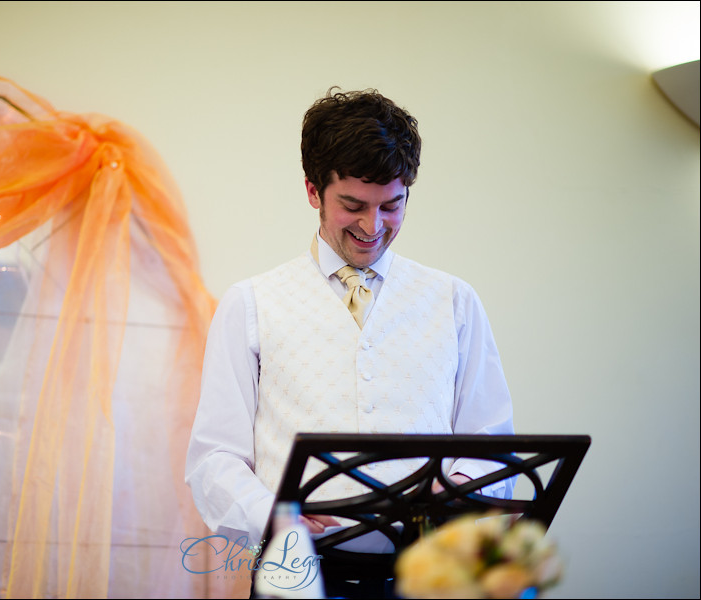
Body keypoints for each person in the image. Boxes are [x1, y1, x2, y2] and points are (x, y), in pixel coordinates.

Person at [184, 88, 514, 596]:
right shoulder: (249, 303)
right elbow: (214, 458)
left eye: (392, 206)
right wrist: (272, 515)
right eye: (353, 205)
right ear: (314, 191)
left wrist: (460, 497)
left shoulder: (454, 301)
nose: (372, 226)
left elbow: (489, 440)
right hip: (297, 577)